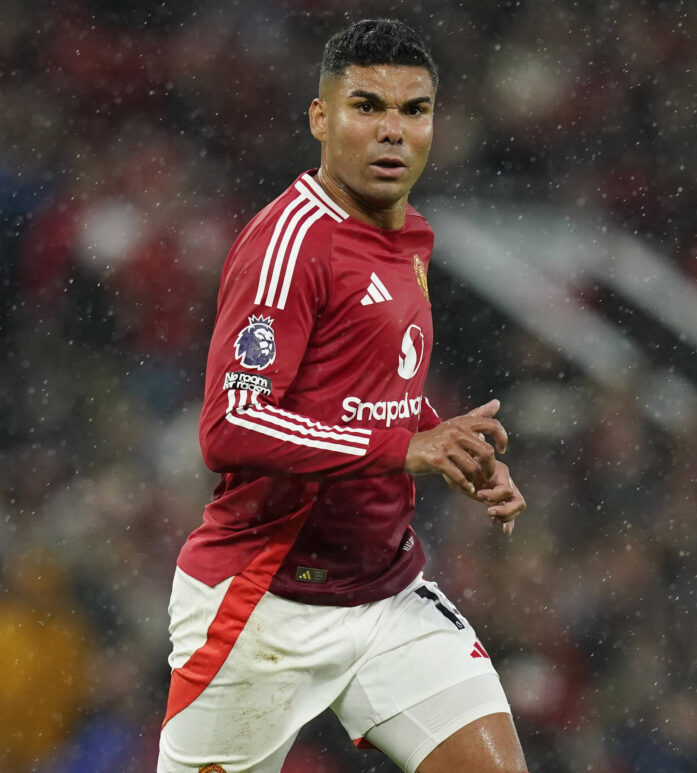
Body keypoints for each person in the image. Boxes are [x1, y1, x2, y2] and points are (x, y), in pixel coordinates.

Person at [157, 18, 528, 773]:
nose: (392, 132)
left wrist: (443, 438)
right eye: (367, 107)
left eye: (413, 111)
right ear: (321, 119)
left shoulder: (410, 236)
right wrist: (405, 447)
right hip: (264, 604)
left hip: (387, 594)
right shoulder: (290, 242)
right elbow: (231, 425)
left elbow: (370, 389)